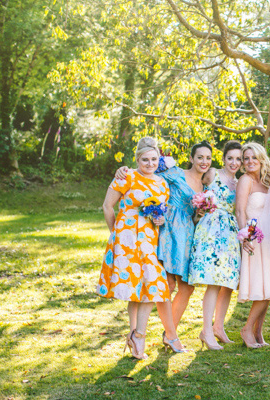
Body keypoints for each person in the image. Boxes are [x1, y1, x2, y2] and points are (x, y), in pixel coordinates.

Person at [113, 141, 215, 352]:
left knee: (186, 287)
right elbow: (146, 176)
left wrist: (199, 214)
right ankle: (165, 335)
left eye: (208, 158)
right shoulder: (174, 173)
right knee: (165, 285)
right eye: (200, 157)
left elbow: (195, 216)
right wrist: (124, 170)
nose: (204, 161)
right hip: (165, 230)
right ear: (191, 158)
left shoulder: (206, 187)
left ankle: (165, 333)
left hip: (187, 235)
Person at [98, 137, 174, 359]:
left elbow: (162, 212)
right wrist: (116, 234)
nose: (149, 163)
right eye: (145, 159)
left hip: (150, 240)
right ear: (137, 160)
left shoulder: (162, 183)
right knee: (135, 288)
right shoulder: (127, 176)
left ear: (159, 160)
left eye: (153, 159)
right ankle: (135, 337)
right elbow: (107, 206)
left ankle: (138, 335)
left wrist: (160, 220)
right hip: (127, 241)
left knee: (152, 285)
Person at [187, 141, 243, 350]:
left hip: (231, 233)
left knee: (227, 282)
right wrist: (196, 211)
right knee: (213, 281)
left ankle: (218, 326)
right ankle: (206, 331)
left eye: (238, 159)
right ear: (224, 158)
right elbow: (190, 182)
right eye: (230, 158)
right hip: (211, 230)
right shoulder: (211, 174)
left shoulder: (239, 183)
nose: (234, 163)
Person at [235, 142, 270, 348]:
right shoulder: (245, 180)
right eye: (246, 158)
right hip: (254, 238)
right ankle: (246, 329)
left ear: (261, 158)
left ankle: (258, 332)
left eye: (254, 157)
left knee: (268, 288)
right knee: (263, 286)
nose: (250, 161)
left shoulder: (269, 181)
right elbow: (240, 211)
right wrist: (245, 237)